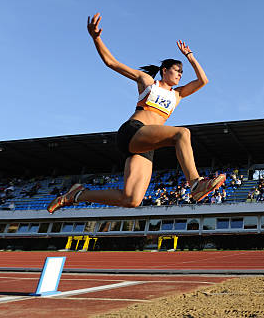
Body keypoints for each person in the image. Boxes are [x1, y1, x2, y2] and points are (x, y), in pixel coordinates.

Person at [47, 13, 225, 213]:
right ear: (164, 70)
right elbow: (112, 63)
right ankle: (195, 184)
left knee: (131, 199)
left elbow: (203, 81)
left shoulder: (178, 94)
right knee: (182, 133)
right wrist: (96, 38)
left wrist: (190, 56)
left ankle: (77, 194)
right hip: (133, 131)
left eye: (182, 73)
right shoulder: (147, 82)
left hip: (146, 144)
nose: (180, 75)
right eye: (176, 70)